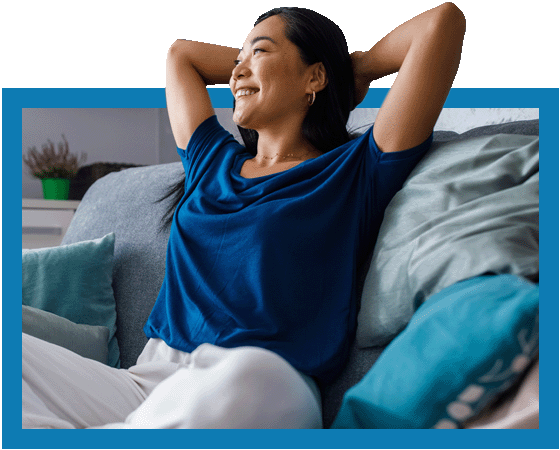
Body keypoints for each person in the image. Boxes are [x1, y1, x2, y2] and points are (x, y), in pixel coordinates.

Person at [22, 3, 465, 429]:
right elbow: (181, 54)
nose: (235, 71)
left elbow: (442, 22)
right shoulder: (210, 161)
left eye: (260, 51)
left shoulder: (355, 169)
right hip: (149, 380)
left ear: (315, 76)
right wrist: (254, 61)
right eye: (236, 58)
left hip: (257, 378)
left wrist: (357, 67)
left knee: (256, 380)